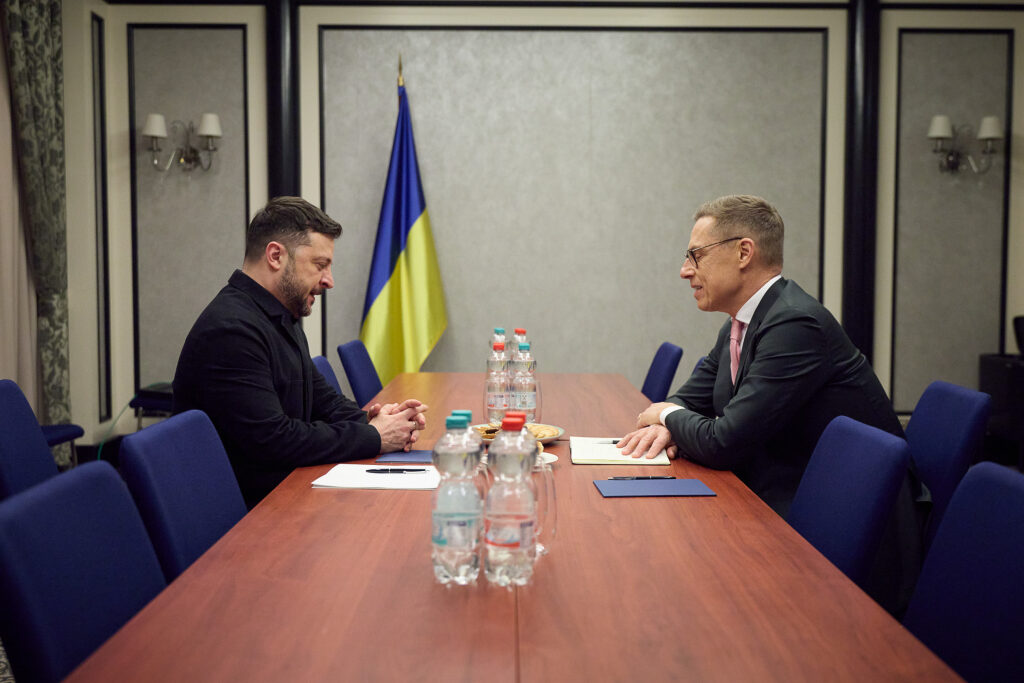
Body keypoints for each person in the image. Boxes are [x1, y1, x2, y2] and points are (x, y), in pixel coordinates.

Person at [617, 195, 921, 614]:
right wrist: (670, 421)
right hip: (783, 489)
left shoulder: (794, 324)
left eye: (696, 255)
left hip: (847, 523)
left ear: (744, 252)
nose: (685, 270)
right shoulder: (742, 323)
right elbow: (689, 399)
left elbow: (723, 441)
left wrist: (667, 417)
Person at [173, 197, 428, 508]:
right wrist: (374, 437)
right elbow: (274, 440)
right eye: (320, 265)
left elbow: (322, 400)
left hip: (287, 493)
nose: (329, 281)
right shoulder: (231, 330)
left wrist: (378, 421)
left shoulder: (277, 315)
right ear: (276, 256)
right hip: (250, 514)